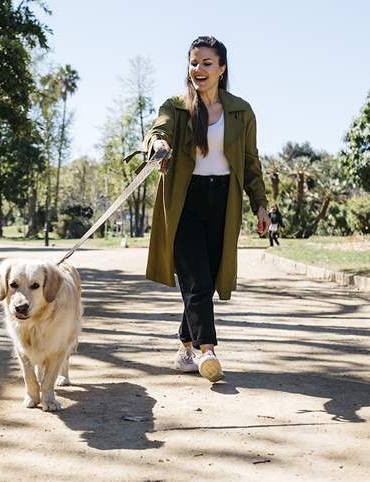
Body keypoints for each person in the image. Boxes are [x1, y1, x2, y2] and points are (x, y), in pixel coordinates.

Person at [142, 36, 270, 382]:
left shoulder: (241, 111)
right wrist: (158, 144)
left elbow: (250, 162)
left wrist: (261, 205)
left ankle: (185, 347)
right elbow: (158, 130)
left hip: (224, 202)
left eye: (207, 63)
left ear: (222, 69)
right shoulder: (176, 106)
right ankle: (207, 351)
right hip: (185, 200)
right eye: (194, 62)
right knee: (196, 280)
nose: (198, 69)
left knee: (208, 279)